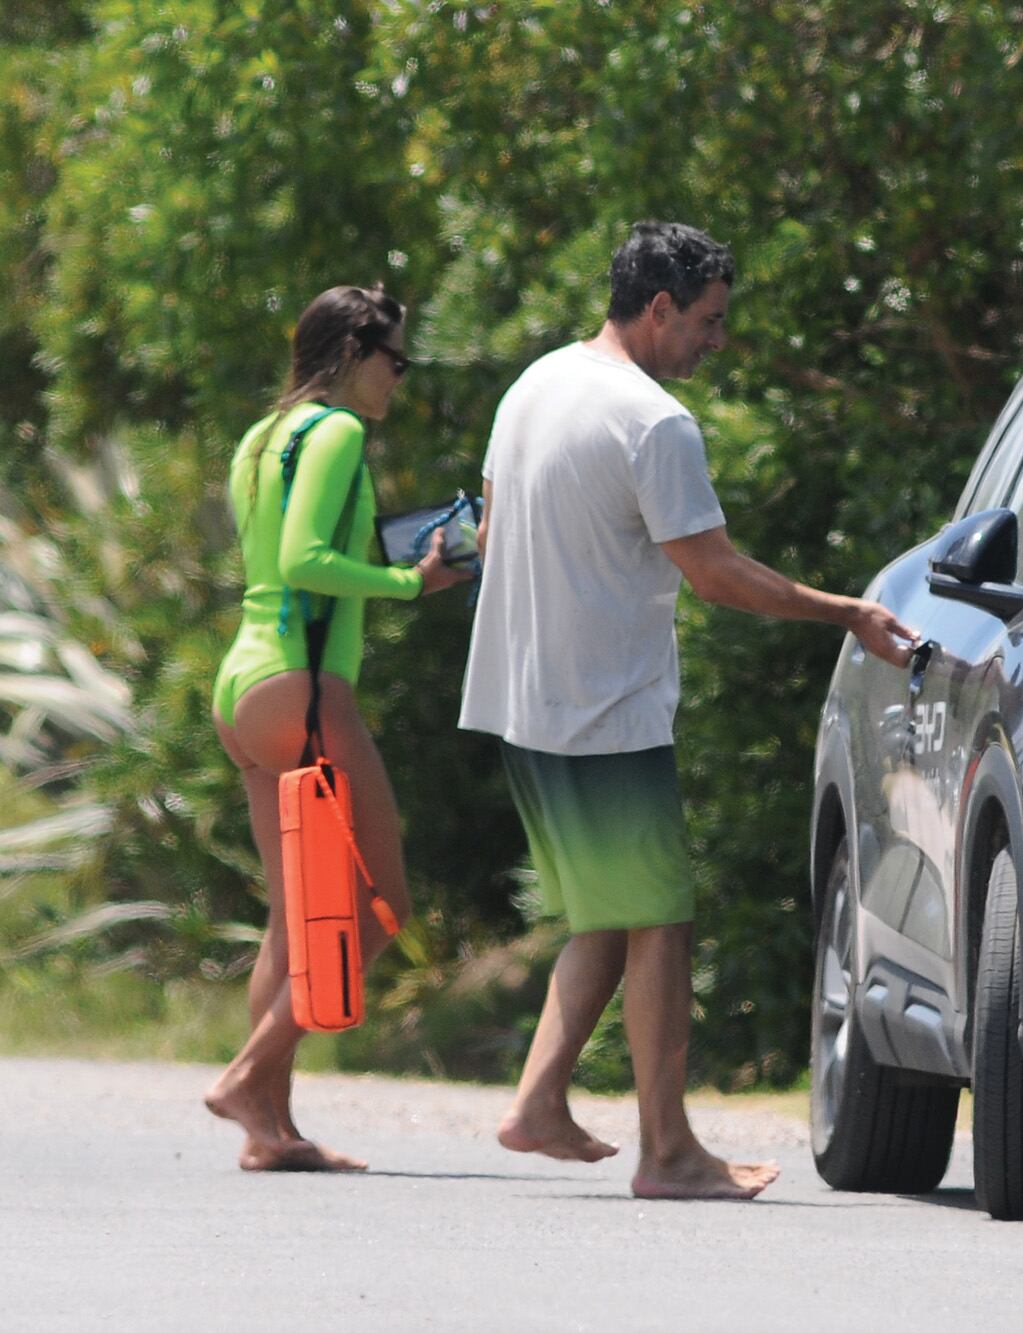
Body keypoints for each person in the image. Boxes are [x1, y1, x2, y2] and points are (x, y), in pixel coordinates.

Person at [460, 221, 916, 1200]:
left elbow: (492, 533)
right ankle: (666, 1151)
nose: (716, 340)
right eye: (707, 321)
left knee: (610, 912)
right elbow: (714, 574)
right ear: (659, 307)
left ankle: (538, 1099)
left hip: (519, 702)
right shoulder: (652, 420)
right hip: (601, 712)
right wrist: (847, 612)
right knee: (659, 918)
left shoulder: (533, 385)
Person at [205, 285, 473, 1170]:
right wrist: (411, 583)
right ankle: (249, 1077)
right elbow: (306, 561)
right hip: (306, 684)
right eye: (394, 360)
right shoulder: (340, 433)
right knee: (380, 901)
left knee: (293, 921)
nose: (399, 377)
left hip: (243, 682)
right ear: (354, 352)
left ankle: (269, 1131)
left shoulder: (264, 435)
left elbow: (273, 560)